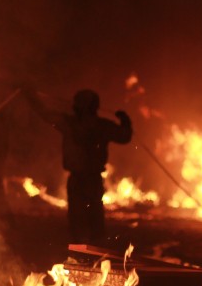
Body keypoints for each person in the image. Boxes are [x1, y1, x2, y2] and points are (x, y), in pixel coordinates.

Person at [26, 89, 132, 245]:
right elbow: (125, 136)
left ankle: (84, 251)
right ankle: (94, 253)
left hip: (80, 180)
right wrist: (125, 120)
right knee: (92, 218)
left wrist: (29, 96)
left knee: (80, 219)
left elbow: (45, 114)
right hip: (91, 180)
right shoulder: (101, 126)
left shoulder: (69, 124)